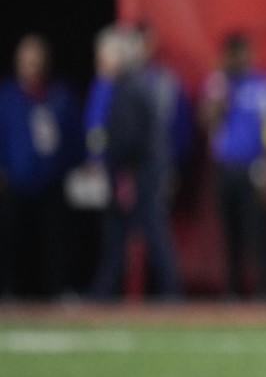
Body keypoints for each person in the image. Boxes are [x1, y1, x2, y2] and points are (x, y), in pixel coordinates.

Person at [88, 27, 181, 300]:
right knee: (123, 232)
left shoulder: (129, 87)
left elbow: (128, 136)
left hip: (139, 171)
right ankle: (105, 289)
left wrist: (109, 161)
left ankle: (170, 291)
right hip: (141, 169)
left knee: (147, 230)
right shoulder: (134, 84)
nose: (101, 63)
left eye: (104, 57)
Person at [201, 33, 266, 298]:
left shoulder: (263, 85)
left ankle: (263, 290)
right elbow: (206, 120)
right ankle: (232, 290)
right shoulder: (218, 84)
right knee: (229, 232)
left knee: (258, 232)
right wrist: (219, 92)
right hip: (225, 167)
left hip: (255, 167)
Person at [0, 34, 79, 298]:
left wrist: (67, 168)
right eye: (26, 61)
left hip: (52, 181)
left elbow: (73, 137)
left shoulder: (60, 96)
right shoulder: (7, 97)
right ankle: (10, 291)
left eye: (36, 60)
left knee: (56, 240)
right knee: (11, 239)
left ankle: (58, 291)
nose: (31, 66)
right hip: (15, 181)